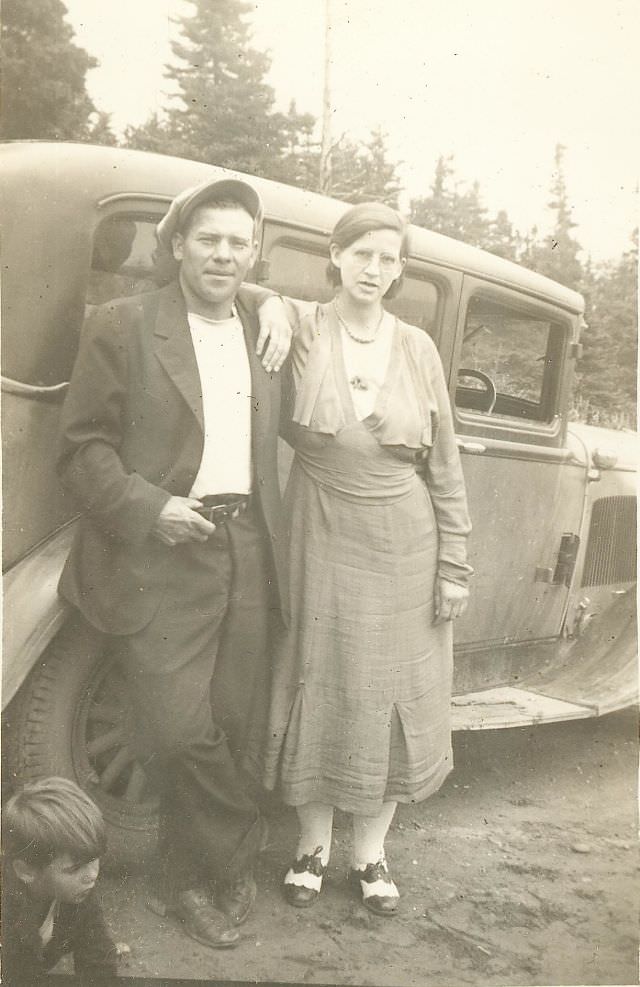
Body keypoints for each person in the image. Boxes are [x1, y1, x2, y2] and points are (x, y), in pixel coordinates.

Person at [56, 176, 291, 949]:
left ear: (254, 256)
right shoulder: (123, 325)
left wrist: (284, 304)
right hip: (159, 552)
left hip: (246, 546)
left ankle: (182, 879)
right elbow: (82, 449)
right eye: (210, 238)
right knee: (182, 727)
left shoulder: (263, 319)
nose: (224, 254)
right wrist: (151, 509)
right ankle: (237, 852)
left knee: (229, 717)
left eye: (239, 243)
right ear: (180, 243)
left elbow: (352, 313)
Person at [251, 202, 473, 917]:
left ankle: (370, 854)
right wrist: (274, 304)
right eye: (362, 254)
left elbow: (444, 463)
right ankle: (311, 847)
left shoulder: (418, 348)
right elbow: (237, 293)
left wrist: (455, 564)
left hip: (406, 545)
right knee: (322, 680)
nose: (374, 269)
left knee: (390, 694)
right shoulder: (305, 325)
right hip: (318, 529)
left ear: (399, 269)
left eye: (388, 258)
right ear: (336, 256)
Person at [2, 776, 119, 982]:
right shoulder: (7, 913)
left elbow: (99, 962)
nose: (92, 875)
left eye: (94, 860)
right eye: (74, 869)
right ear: (26, 871)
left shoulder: (79, 891)